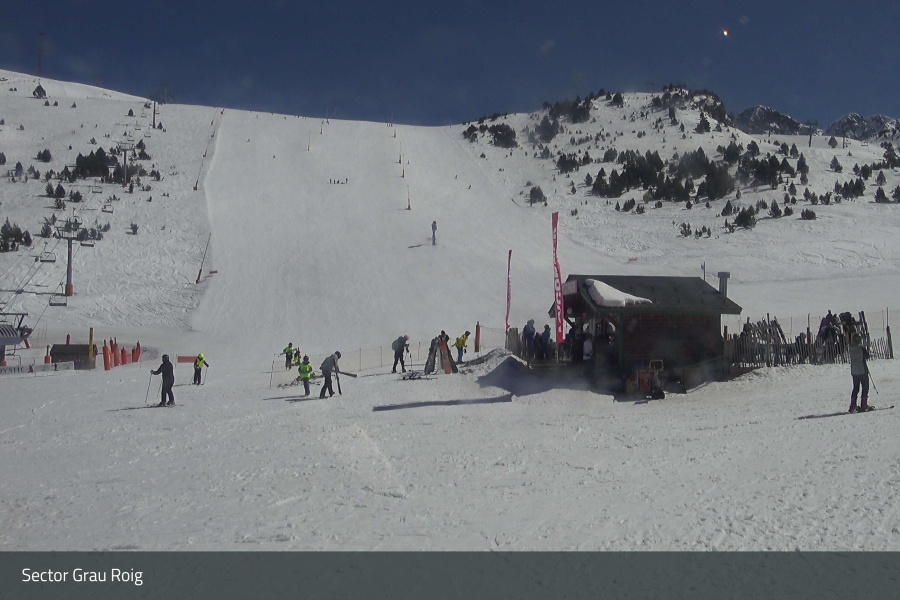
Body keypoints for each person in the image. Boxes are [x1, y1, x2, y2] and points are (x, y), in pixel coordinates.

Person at [848, 333, 872, 413]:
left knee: (855, 388)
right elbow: (867, 356)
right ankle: (864, 405)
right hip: (862, 370)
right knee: (865, 387)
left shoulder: (850, 348)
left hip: (854, 371)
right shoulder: (861, 348)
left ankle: (853, 406)